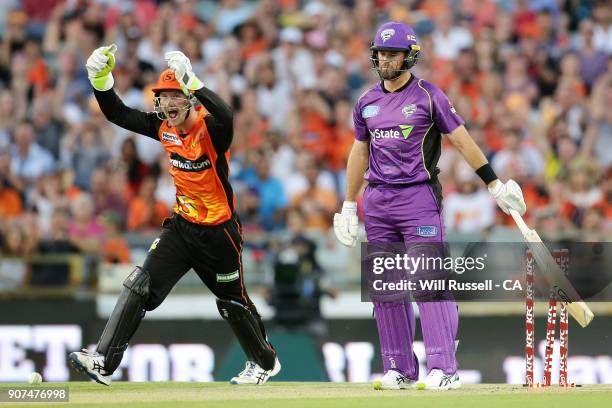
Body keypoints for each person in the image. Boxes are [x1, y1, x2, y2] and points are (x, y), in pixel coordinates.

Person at [69, 44, 280, 385]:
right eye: (163, 97)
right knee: (139, 285)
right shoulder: (163, 127)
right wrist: (100, 79)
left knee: (233, 303)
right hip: (181, 228)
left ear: (189, 99)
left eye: (175, 96)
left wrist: (194, 82)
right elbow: (118, 114)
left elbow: (227, 116)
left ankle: (265, 363)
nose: (168, 103)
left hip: (219, 233)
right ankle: (103, 362)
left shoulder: (211, 130)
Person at [333, 22, 526, 390]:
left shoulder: (428, 96)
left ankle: (444, 368)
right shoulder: (366, 102)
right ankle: (399, 369)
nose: (386, 59)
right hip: (377, 200)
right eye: (382, 53)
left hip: (418, 197)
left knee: (427, 280)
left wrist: (494, 183)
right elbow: (359, 151)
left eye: (393, 53)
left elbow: (463, 140)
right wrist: (347, 205)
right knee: (386, 286)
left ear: (409, 56)